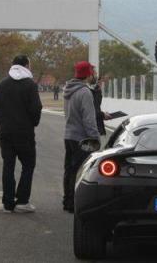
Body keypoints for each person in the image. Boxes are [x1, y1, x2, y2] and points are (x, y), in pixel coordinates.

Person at [0, 55, 42, 213]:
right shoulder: (30, 85)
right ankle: (22, 201)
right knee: (28, 165)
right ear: (27, 65)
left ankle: (8, 202)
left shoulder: (1, 85)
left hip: (5, 132)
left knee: (8, 165)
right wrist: (32, 122)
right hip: (24, 132)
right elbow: (36, 109)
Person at [62, 61, 100, 213]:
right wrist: (95, 139)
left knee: (69, 170)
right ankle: (77, 203)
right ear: (88, 74)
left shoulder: (68, 89)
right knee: (80, 172)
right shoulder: (85, 92)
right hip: (82, 138)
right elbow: (89, 120)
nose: (94, 75)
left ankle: (67, 201)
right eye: (93, 73)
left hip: (69, 134)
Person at [89, 71, 112, 136]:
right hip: (92, 129)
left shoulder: (96, 92)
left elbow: (95, 109)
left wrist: (103, 114)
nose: (103, 83)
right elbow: (93, 111)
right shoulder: (94, 92)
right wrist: (103, 115)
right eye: (101, 80)